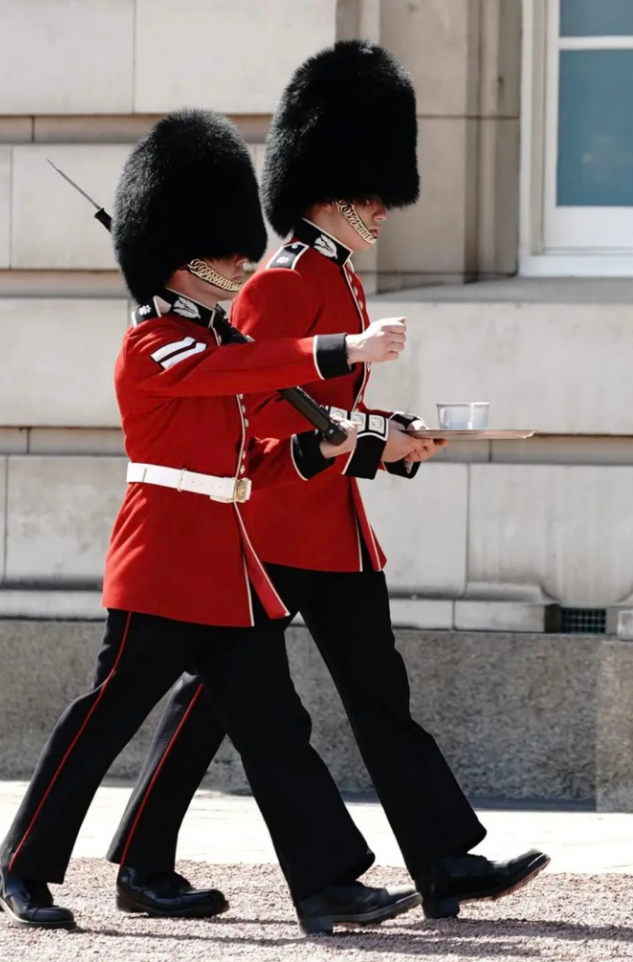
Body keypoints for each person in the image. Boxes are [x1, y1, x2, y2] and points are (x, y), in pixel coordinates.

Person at [105, 42, 550, 922]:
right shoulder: (281, 284)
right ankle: (141, 859)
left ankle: (444, 863)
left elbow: (323, 410)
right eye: (366, 197)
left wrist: (393, 437)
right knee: (212, 709)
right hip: (271, 528)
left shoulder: (338, 279)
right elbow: (267, 415)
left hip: (331, 530)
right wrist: (365, 446)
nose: (381, 212)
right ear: (321, 193)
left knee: (378, 693)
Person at [0, 108, 420, 935]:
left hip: (229, 564)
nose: (238, 260)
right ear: (174, 262)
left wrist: (375, 437)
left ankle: (326, 882)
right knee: (102, 721)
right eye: (220, 253)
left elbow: (266, 411)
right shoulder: (153, 344)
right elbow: (241, 367)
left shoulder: (209, 332)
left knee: (274, 725)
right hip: (163, 558)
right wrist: (339, 349)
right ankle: (21, 863)